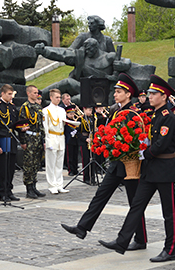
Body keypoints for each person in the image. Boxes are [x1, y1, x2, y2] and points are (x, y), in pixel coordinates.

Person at [98, 74, 175, 262]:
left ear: (164, 97)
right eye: (150, 93)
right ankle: (122, 241)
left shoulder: (168, 118)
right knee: (137, 205)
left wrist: (143, 152)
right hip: (151, 168)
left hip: (165, 168)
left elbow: (160, 144)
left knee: (168, 212)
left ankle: (171, 249)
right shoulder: (155, 115)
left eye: (154, 94)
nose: (149, 96)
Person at [61, 73, 148, 250]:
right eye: (115, 91)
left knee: (134, 203)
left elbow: (135, 138)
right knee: (100, 195)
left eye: (118, 92)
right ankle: (82, 227)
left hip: (129, 163)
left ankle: (140, 239)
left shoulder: (132, 113)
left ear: (128, 94)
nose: (115, 94)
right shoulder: (116, 110)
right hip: (117, 162)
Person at [43, 89, 80, 194]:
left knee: (59, 163)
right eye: (56, 97)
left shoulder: (62, 110)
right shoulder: (46, 111)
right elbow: (45, 127)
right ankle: (52, 185)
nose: (58, 99)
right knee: (51, 163)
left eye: (59, 97)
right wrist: (46, 140)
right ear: (51, 98)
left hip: (60, 137)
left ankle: (59, 184)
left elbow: (64, 124)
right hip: (51, 136)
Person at [0, 84, 21, 202]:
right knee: (3, 167)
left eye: (11, 94)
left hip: (11, 138)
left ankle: (9, 190)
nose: (10, 96)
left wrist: (21, 128)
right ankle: (2, 192)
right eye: (8, 94)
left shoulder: (13, 107)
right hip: (2, 138)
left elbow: (15, 124)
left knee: (11, 167)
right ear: (2, 94)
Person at [19, 85, 46, 199]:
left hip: (38, 138)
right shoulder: (25, 107)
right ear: (29, 93)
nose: (36, 94)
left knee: (36, 164)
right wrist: (23, 141)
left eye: (37, 93)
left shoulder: (38, 107)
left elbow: (41, 125)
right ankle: (29, 188)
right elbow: (21, 125)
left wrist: (43, 139)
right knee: (29, 164)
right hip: (29, 138)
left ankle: (34, 186)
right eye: (34, 93)